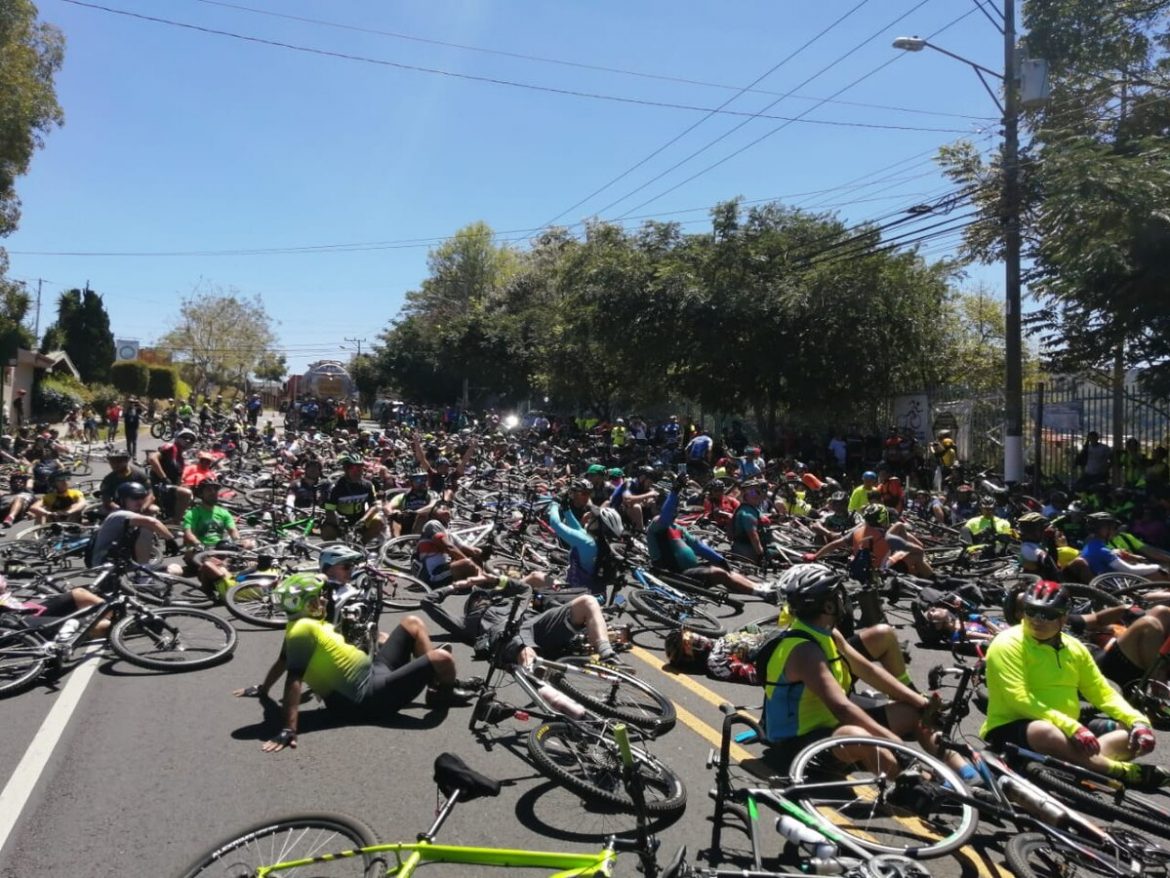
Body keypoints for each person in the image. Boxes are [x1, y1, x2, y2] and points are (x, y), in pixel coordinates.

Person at [236, 573, 476, 753]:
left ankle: (433, 677)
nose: (324, 599)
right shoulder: (302, 630)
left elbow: (281, 662)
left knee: (412, 622)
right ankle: (441, 692)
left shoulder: (300, 624)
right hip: (365, 699)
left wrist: (262, 690)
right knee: (442, 658)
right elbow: (293, 678)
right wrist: (289, 728)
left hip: (373, 673)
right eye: (319, 597)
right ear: (308, 604)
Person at [760, 564, 947, 773]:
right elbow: (843, 708)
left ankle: (966, 777)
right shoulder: (805, 652)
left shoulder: (828, 633)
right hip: (796, 746)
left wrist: (921, 703)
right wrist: (896, 744)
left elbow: (869, 671)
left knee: (911, 714)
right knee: (866, 738)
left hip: (829, 724)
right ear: (829, 606)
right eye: (838, 595)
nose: (844, 600)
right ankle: (916, 796)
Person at [981, 580, 1167, 789]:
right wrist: (1072, 727)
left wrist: (1138, 722)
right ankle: (1119, 771)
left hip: (1068, 729)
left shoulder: (1075, 648)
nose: (1037, 620)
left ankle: (1078, 766)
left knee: (1129, 736)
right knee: (1046, 731)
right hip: (1014, 726)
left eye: (1048, 614)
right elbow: (1018, 699)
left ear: (1063, 617)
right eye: (1031, 611)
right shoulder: (1007, 643)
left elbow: (1102, 692)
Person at [430, 568, 624, 667]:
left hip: (537, 624)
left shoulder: (505, 600)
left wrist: (492, 580)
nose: (481, 599)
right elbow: (427, 603)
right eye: (476, 599)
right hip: (508, 632)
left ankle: (606, 654)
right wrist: (454, 587)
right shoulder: (468, 623)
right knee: (518, 643)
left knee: (588, 601)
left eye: (483, 596)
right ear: (471, 606)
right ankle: (547, 690)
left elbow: (526, 586)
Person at [648, 475, 772, 599]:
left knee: (725, 569)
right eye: (673, 508)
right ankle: (760, 593)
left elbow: (698, 545)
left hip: (690, 570)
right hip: (674, 575)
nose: (675, 511)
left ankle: (759, 586)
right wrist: (675, 491)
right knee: (719, 573)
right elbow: (665, 515)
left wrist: (720, 560)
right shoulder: (657, 526)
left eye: (676, 508)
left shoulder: (677, 528)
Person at [807, 504, 935, 580]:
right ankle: (933, 579)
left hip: (861, 567)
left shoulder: (858, 531)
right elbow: (919, 547)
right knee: (917, 555)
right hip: (881, 569)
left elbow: (835, 544)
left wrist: (816, 555)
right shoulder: (887, 533)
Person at [182, 480, 247, 599]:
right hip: (199, 549)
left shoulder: (223, 512)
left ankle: (235, 583)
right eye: (209, 490)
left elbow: (233, 531)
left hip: (219, 548)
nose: (213, 493)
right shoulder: (193, 513)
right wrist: (198, 544)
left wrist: (238, 542)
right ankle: (215, 586)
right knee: (201, 557)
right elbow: (188, 534)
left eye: (215, 490)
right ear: (201, 494)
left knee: (249, 545)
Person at [89, 481, 174, 567]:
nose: (140, 501)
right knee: (147, 528)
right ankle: (144, 572)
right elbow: (152, 522)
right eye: (135, 498)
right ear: (122, 500)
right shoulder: (119, 514)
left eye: (142, 497)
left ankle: (143, 569)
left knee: (175, 570)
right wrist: (170, 539)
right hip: (106, 563)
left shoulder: (130, 515)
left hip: (120, 560)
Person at [1081, 512, 1170, 582]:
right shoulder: (1102, 550)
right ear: (1103, 529)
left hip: (1111, 580)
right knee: (1160, 573)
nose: (1114, 530)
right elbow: (1130, 570)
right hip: (1117, 586)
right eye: (1112, 527)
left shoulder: (1090, 546)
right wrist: (1157, 567)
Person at [321, 453, 383, 542]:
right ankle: (333, 547)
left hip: (359, 519)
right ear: (346, 470)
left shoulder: (368, 485)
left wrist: (363, 520)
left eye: (361, 468)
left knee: (379, 521)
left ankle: (361, 544)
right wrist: (339, 524)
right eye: (354, 469)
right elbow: (329, 510)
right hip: (341, 520)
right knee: (327, 531)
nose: (359, 472)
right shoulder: (336, 487)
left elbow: (374, 506)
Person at [145, 428, 197, 523]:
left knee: (190, 492)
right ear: (177, 438)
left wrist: (182, 485)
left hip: (169, 486)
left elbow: (178, 478)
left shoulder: (181, 458)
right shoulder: (170, 447)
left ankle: (172, 516)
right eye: (184, 437)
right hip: (159, 484)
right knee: (186, 494)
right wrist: (164, 477)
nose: (188, 440)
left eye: (191, 439)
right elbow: (152, 458)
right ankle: (175, 521)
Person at [99, 450, 153, 517]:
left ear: (126, 461)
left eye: (119, 461)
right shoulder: (108, 479)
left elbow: (150, 495)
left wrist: (143, 507)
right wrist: (115, 507)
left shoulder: (139, 475)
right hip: (118, 506)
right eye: (112, 462)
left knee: (153, 509)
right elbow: (105, 497)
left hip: (138, 505)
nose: (115, 464)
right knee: (103, 511)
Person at [385, 472, 436, 537]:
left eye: (425, 479)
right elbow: (388, 506)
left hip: (426, 524)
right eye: (418, 480)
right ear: (411, 482)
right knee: (394, 515)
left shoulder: (432, 494)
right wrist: (393, 513)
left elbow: (432, 506)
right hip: (406, 521)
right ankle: (397, 542)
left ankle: (412, 542)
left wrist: (415, 513)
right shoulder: (404, 496)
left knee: (422, 517)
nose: (423, 482)